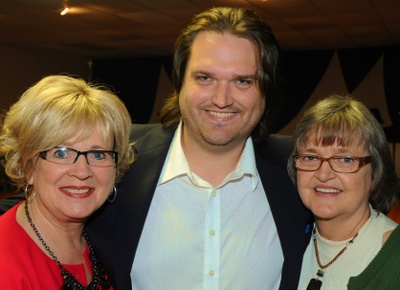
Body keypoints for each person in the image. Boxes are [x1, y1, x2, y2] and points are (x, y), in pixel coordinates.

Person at [0, 7, 313, 290]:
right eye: (204, 77)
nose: (221, 98)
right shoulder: (120, 160)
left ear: (265, 89)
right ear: (179, 82)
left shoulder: (301, 171)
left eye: (243, 81)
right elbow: (42, 195)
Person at [0, 75, 134, 289]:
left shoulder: (110, 243)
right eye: (61, 153)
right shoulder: (5, 264)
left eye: (98, 155)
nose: (82, 171)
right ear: (27, 164)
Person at [287, 95, 400, 289]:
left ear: (375, 173)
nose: (323, 174)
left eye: (345, 159)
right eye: (311, 157)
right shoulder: (283, 241)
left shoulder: (394, 258)